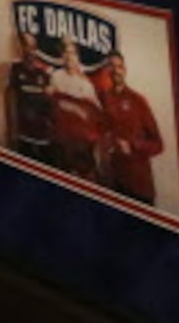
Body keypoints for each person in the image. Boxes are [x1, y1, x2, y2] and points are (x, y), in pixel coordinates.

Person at [96, 52, 166, 205]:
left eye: (119, 66)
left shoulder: (138, 101)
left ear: (125, 69)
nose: (116, 70)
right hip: (114, 183)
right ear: (107, 71)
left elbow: (158, 144)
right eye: (112, 67)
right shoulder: (104, 100)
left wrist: (133, 146)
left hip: (138, 186)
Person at [46, 42, 108, 179]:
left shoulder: (85, 84)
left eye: (72, 53)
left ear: (77, 57)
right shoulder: (56, 76)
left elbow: (96, 111)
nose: (69, 56)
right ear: (62, 56)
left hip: (80, 143)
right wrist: (49, 93)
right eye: (66, 53)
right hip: (61, 140)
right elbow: (50, 104)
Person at [1, 29, 57, 163]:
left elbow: (52, 106)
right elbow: (9, 100)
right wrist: (11, 132)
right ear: (20, 47)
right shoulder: (15, 69)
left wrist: (51, 96)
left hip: (44, 137)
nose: (29, 49)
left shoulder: (44, 72)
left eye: (32, 46)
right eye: (26, 45)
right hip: (23, 135)